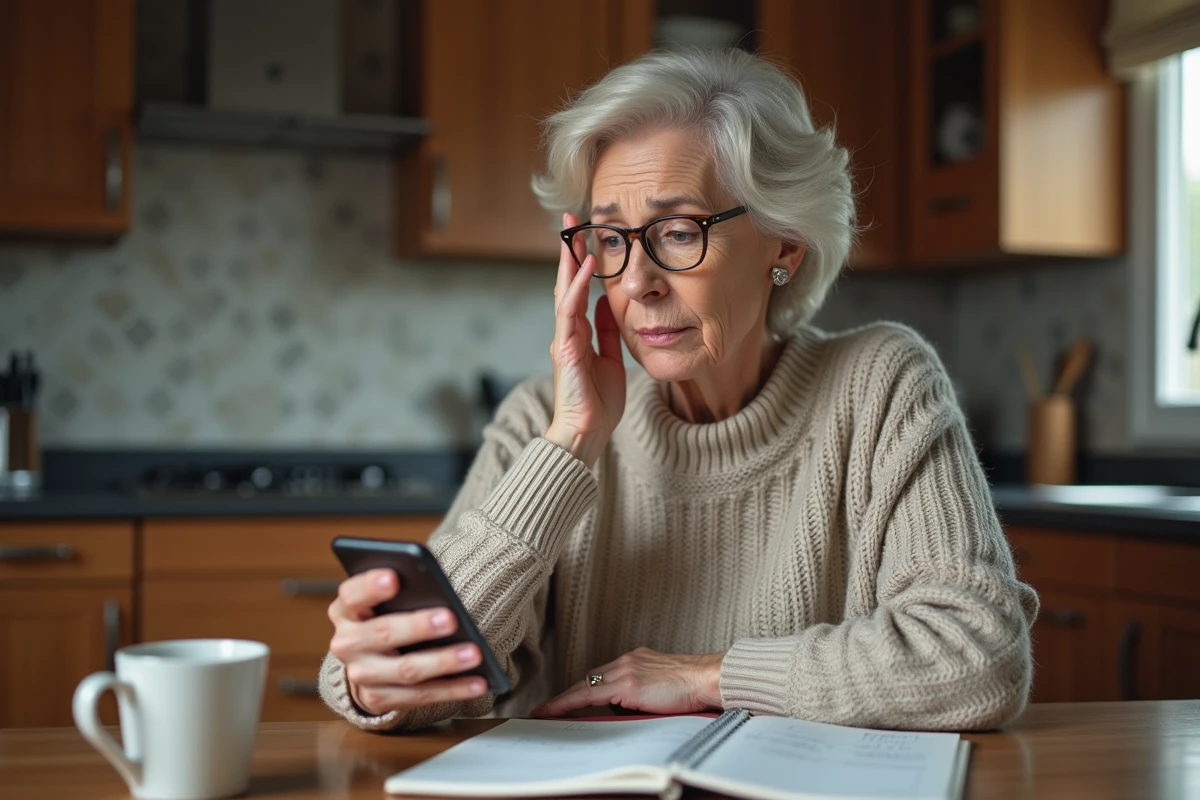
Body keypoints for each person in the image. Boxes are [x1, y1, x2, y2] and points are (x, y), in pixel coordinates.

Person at [318, 47, 1038, 733]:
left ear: (783, 244)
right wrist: (571, 443)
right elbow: (408, 674)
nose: (636, 282)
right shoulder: (543, 418)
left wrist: (705, 677)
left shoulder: (879, 385)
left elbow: (978, 656)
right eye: (609, 239)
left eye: (679, 230)